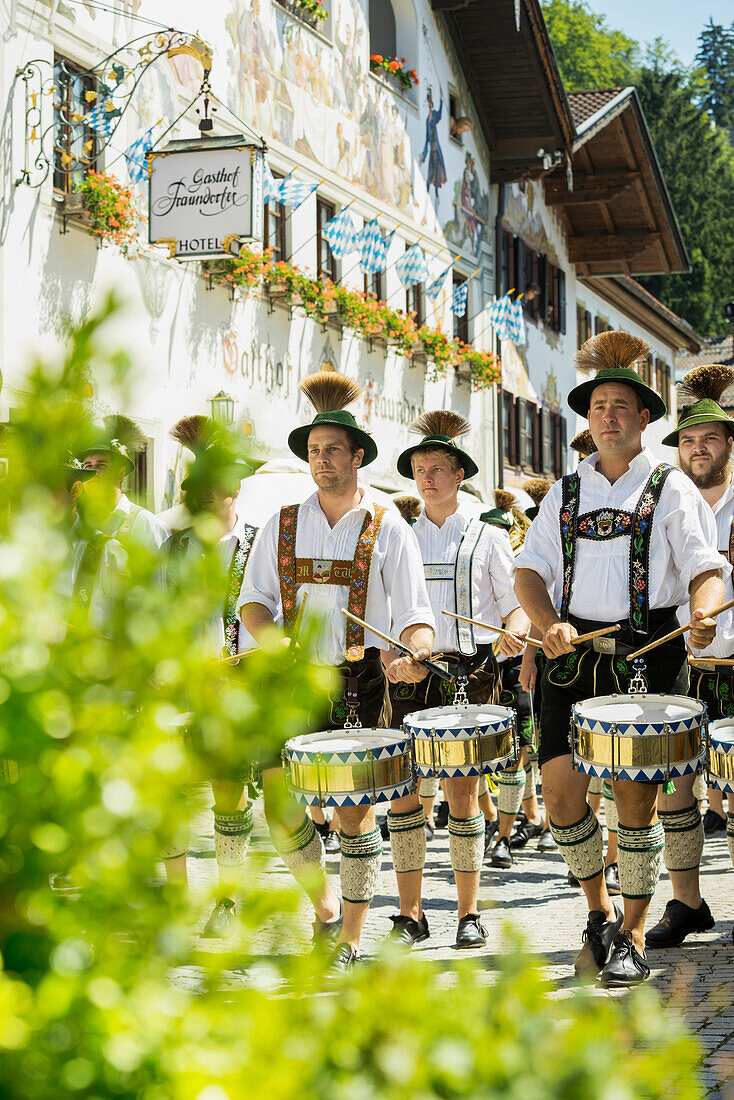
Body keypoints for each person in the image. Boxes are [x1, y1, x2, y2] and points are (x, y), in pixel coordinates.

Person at [514, 330, 725, 986]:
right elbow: (529, 572)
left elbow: (705, 568)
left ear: (641, 419)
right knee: (560, 798)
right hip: (572, 658)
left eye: (620, 406)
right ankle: (599, 913)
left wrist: (704, 613)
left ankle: (633, 934)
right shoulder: (563, 495)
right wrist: (546, 625)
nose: (607, 415)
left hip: (647, 655)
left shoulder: (670, 487)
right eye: (598, 406)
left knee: (635, 802)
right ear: (589, 417)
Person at [240, 370, 435, 974]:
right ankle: (324, 908)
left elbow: (415, 612)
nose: (321, 460)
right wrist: (273, 643)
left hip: (361, 682)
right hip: (292, 680)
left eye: (332, 450)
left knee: (354, 811)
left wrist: (414, 652)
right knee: (278, 805)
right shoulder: (282, 522)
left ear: (357, 457)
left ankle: (350, 939)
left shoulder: (388, 525)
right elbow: (253, 603)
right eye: (313, 450)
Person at [384, 411, 529, 948]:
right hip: (410, 676)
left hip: (470, 673)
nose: (427, 477)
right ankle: (411, 914)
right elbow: (386, 610)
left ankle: (468, 913)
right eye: (420, 468)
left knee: (463, 795)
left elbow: (516, 606)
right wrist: (393, 659)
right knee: (404, 795)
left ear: (459, 474)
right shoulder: (395, 535)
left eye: (438, 468)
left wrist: (514, 633)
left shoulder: (487, 535)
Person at [648, 363, 734, 947]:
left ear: (729, 444)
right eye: (687, 441)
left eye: (708, 440)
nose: (697, 449)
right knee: (675, 788)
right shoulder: (663, 504)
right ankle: (687, 903)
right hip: (681, 666)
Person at [161, 416, 257, 937]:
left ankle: (228, 897)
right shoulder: (172, 543)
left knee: (228, 791)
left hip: (235, 683)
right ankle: (176, 900)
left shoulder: (259, 542)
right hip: (177, 683)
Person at [79, 416, 169, 552]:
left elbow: (160, 573)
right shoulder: (77, 523)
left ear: (120, 473)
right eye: (88, 466)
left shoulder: (147, 524)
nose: (93, 473)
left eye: (101, 466)